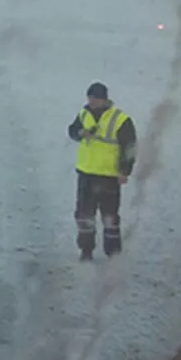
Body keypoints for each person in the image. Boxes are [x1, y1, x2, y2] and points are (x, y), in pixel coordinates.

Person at [67, 82, 137, 260]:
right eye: (89, 98)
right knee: (84, 216)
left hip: (108, 176)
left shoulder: (120, 119)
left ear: (104, 99)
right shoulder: (84, 114)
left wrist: (124, 171)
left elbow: (129, 147)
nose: (91, 102)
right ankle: (86, 251)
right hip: (86, 173)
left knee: (110, 217)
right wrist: (80, 133)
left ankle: (113, 254)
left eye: (95, 99)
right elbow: (72, 131)